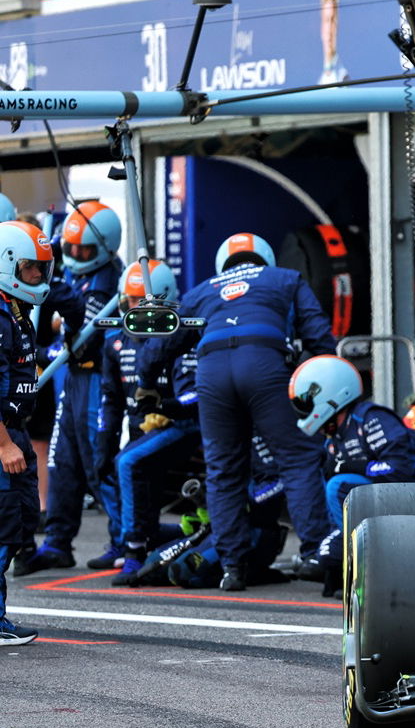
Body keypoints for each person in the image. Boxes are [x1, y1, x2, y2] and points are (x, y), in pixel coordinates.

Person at [137, 232, 337, 591]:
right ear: (266, 259)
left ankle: (232, 567)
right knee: (296, 459)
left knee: (223, 471)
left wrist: (146, 384)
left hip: (212, 371)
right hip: (264, 363)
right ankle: (315, 556)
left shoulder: (201, 291)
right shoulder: (286, 278)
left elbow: (160, 344)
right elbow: (319, 336)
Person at [15, 201, 124, 576]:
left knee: (98, 461)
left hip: (97, 379)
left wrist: (38, 350)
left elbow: (85, 341)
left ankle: (125, 541)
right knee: (62, 462)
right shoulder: (74, 275)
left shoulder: (108, 279)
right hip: (74, 380)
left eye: (84, 250)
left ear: (104, 245)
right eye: (71, 248)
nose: (76, 255)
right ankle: (58, 542)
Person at [287, 353, 415, 596]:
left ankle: (364, 571)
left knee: (339, 486)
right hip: (393, 498)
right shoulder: (334, 438)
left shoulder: (373, 418)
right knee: (326, 553)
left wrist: (354, 466)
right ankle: (350, 573)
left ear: (330, 393)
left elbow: (398, 470)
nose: (303, 410)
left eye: (305, 402)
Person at [94, 260, 203, 586]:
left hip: (182, 425)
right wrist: (104, 439)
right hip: (139, 429)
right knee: (105, 462)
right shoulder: (114, 342)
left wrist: (166, 408)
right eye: (129, 300)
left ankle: (133, 552)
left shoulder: (182, 337)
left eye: (141, 301)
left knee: (128, 462)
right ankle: (139, 538)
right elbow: (110, 399)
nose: (134, 308)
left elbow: (195, 397)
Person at [0, 221, 57, 644]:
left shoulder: (17, 311)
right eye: (29, 268)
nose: (37, 275)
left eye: (41, 267)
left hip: (16, 431)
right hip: (3, 437)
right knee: (3, 528)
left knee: (21, 524)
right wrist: (4, 444)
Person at [318, 0, 348, 85]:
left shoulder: (342, 77)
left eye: (333, 21)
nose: (329, 31)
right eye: (327, 21)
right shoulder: (321, 80)